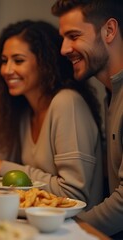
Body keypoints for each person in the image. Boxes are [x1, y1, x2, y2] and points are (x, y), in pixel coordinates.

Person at [0, 20, 104, 211]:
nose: (7, 70)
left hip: (76, 227)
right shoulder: (25, 112)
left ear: (44, 63)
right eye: (4, 61)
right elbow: (18, 177)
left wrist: (2, 166)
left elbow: (73, 194)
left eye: (18, 60)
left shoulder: (67, 102)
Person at [52, 0, 123, 237]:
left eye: (73, 36)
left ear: (109, 30)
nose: (63, 49)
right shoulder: (111, 93)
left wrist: (64, 231)